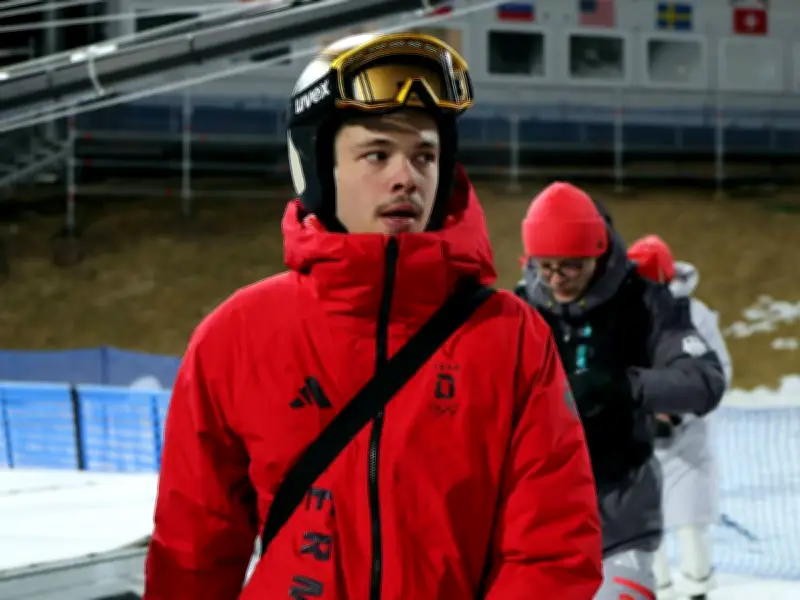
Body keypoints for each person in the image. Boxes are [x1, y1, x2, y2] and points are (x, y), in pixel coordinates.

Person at [143, 32, 603, 600]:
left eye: (425, 156)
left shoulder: (511, 336)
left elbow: (553, 546)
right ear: (318, 168)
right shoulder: (236, 335)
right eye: (377, 154)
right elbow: (192, 551)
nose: (407, 177)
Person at [514, 183, 726, 600]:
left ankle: (697, 584)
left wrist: (625, 386)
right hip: (537, 520)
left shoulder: (645, 304)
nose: (556, 279)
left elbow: (704, 379)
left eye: (570, 267)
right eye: (545, 266)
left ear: (597, 253)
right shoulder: (520, 310)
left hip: (620, 514)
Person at [628, 234, 733, 600]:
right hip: (639, 442)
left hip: (686, 444)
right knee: (645, 529)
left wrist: (675, 412)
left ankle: (696, 589)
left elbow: (717, 371)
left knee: (690, 523)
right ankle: (660, 591)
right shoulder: (622, 313)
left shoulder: (695, 314)